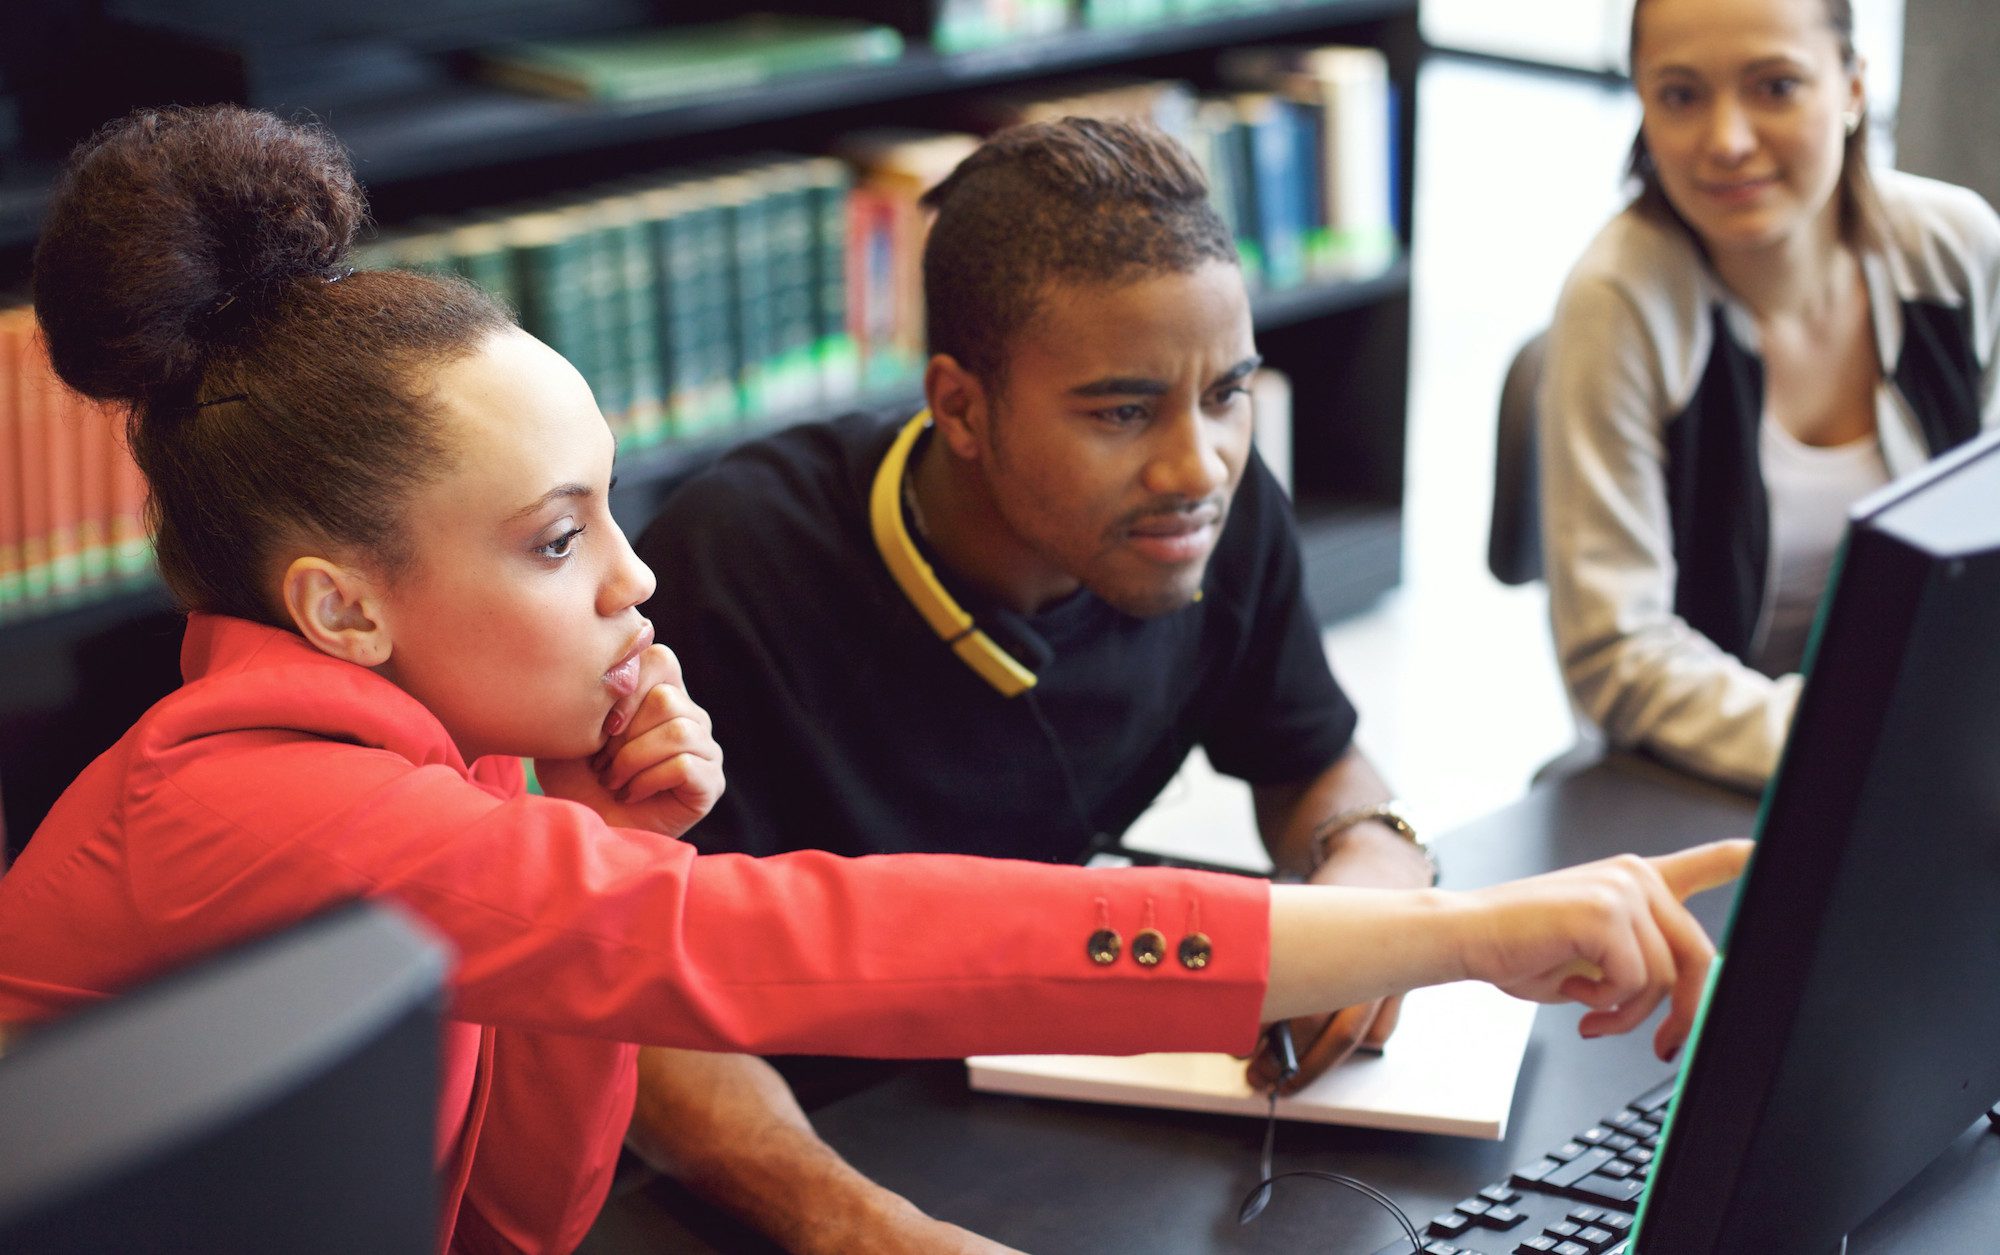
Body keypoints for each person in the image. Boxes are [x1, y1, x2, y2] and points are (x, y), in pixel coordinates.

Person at [0, 105, 1745, 1255]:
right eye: (556, 541)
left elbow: (512, 1221)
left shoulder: (435, 778)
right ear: (345, 608)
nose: (637, 575)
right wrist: (1459, 934)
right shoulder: (260, 803)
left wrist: (610, 841)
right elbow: (827, 939)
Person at [617, 117, 1586, 1253]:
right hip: (798, 1135)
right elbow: (633, 996)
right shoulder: (733, 565)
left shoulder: (1212, 513)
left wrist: (1372, 860)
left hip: (1034, 1092)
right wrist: (853, 1227)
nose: (1196, 466)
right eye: (1122, 412)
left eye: (1227, 392)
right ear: (961, 407)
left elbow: (1308, 755)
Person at [1540, 0, 2000, 790]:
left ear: (1854, 87)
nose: (1728, 141)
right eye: (1681, 95)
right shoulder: (1617, 303)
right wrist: (1852, 741)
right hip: (1716, 778)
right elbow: (1616, 653)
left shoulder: (1955, 249)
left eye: (1776, 86)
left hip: (1938, 747)